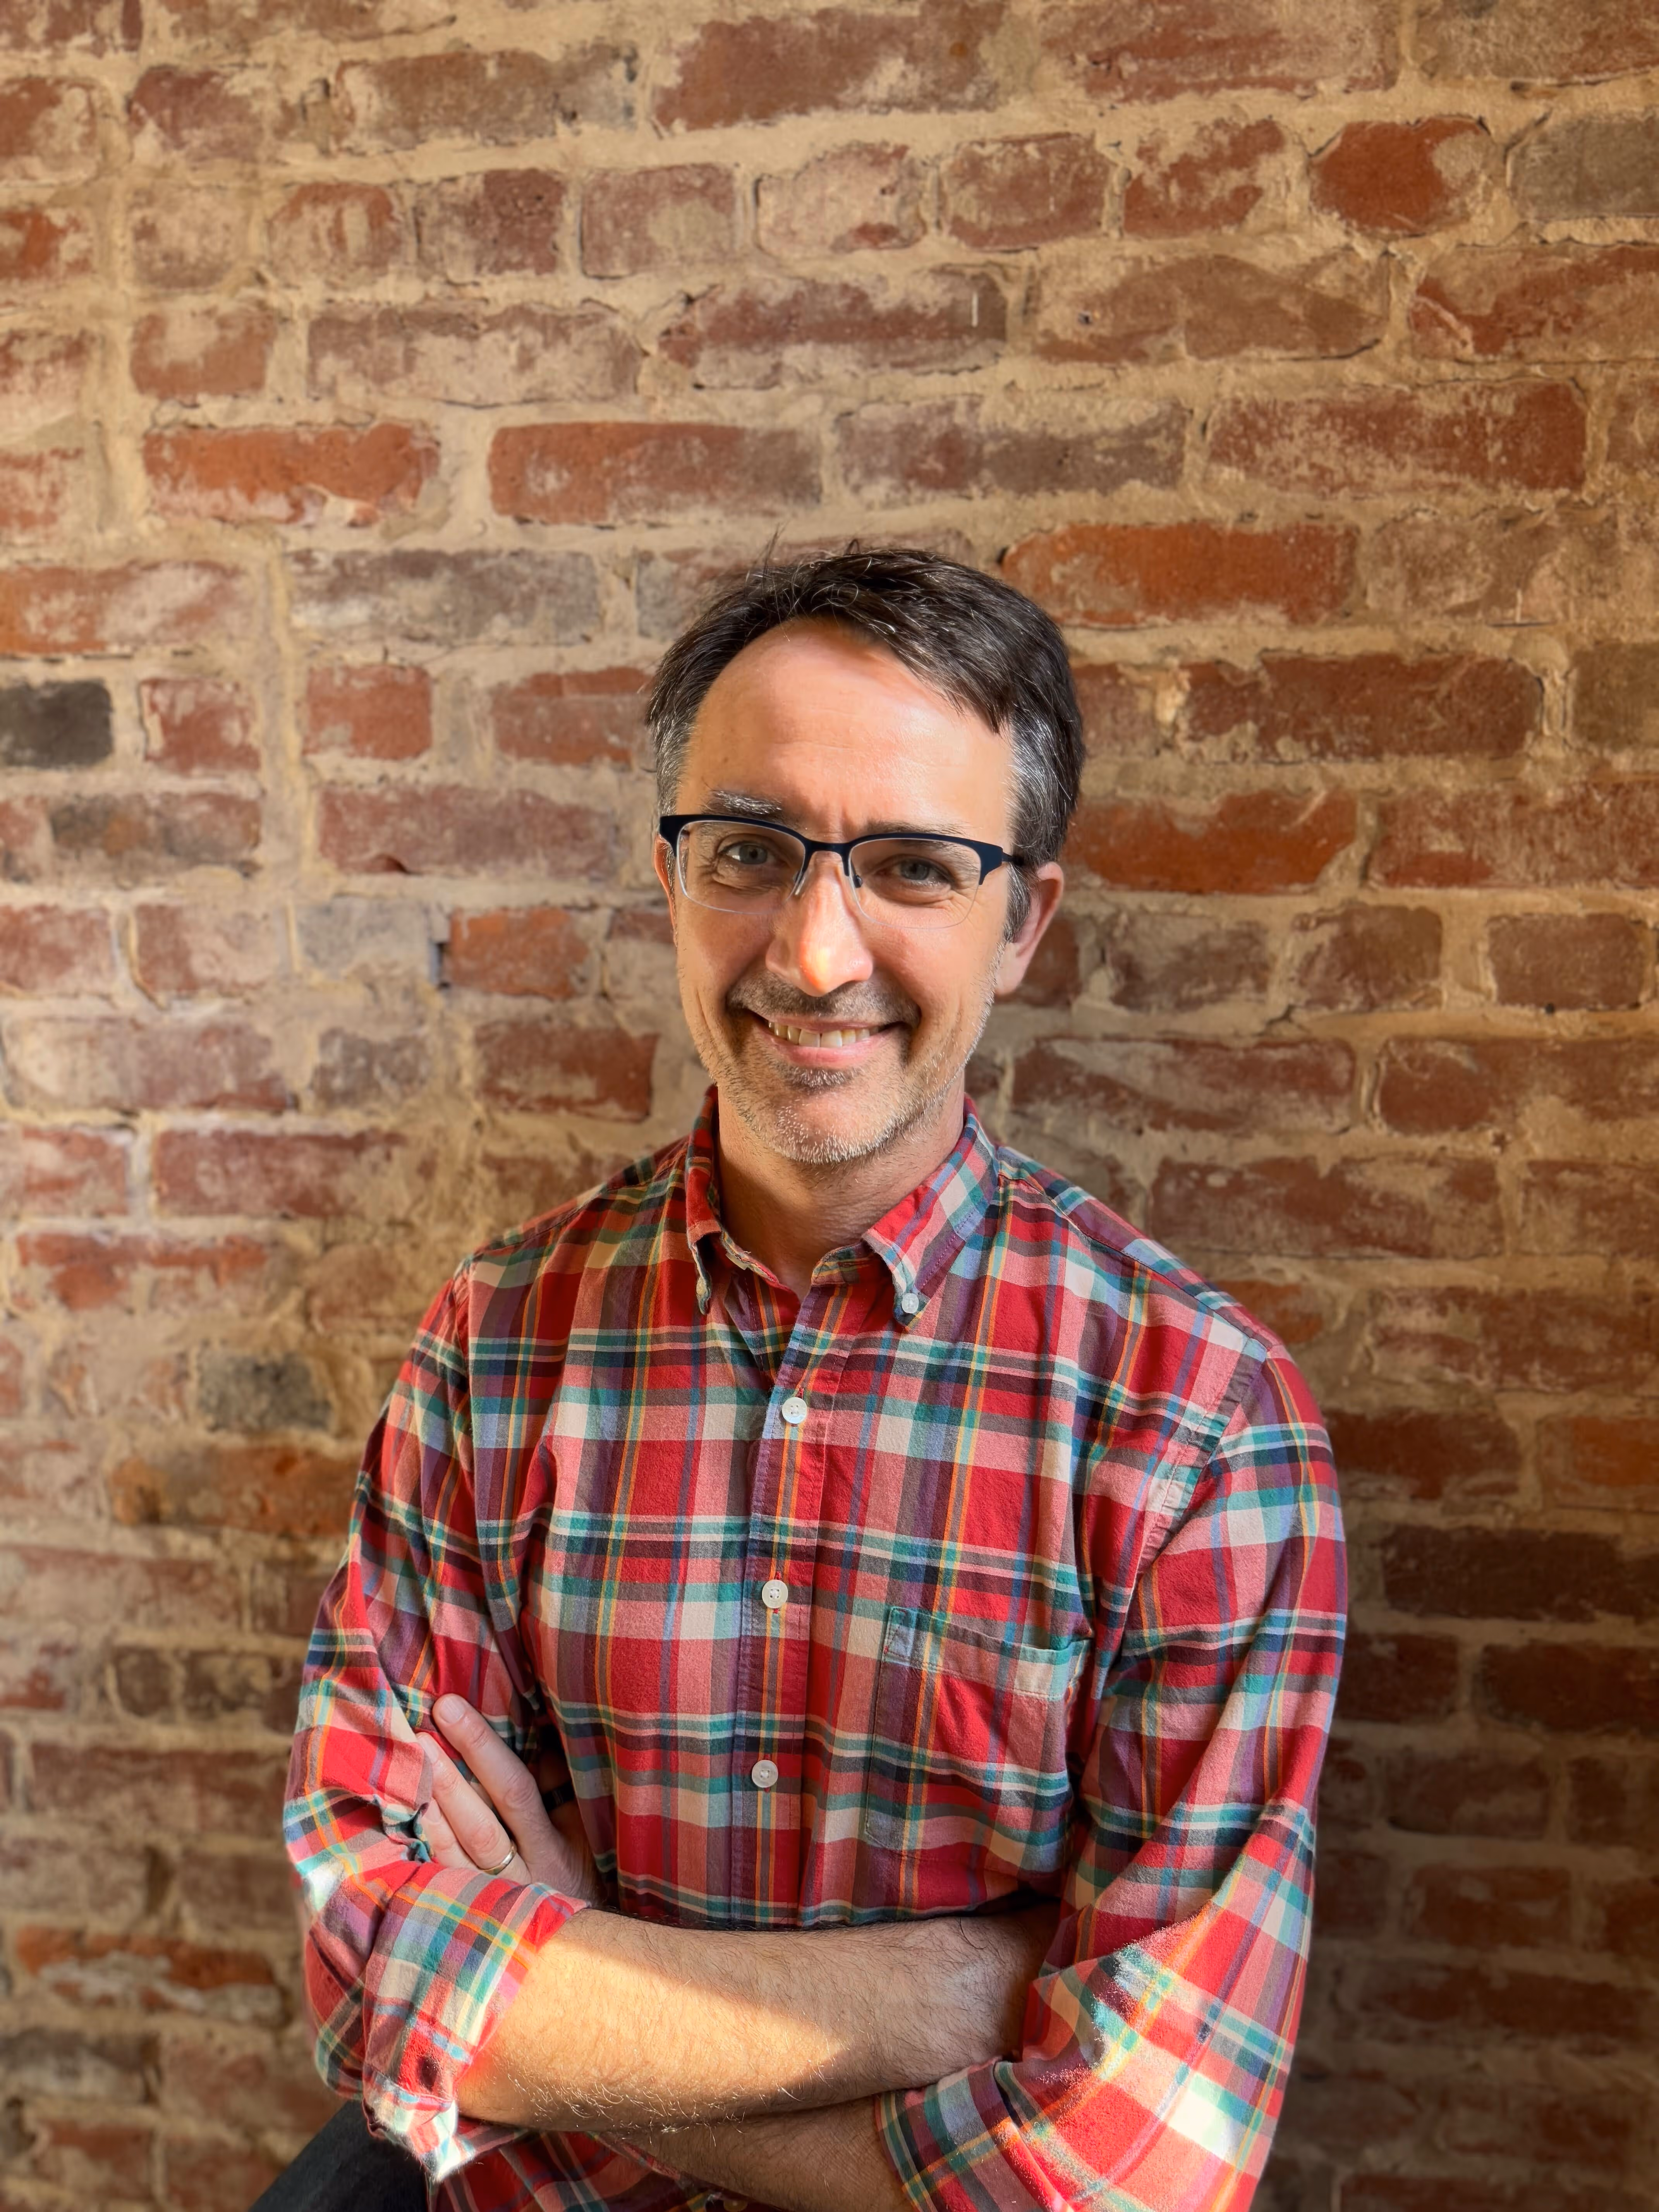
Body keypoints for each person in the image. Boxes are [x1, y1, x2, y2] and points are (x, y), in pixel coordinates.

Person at [278, 547, 1346, 2212]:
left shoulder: (1197, 1419)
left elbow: (1138, 2168)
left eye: (914, 866)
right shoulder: (498, 1345)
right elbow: (362, 1958)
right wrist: (959, 1987)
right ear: (672, 876)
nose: (819, 951)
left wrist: (563, 1995)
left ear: (1023, 924)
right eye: (754, 852)